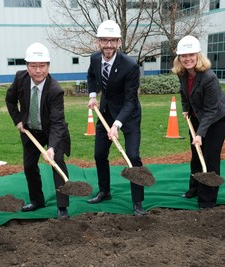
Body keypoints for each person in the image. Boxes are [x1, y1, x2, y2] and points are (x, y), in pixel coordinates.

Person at [86, 20, 146, 216]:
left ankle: (137, 202)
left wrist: (117, 125)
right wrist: (93, 96)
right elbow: (92, 76)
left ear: (119, 42)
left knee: (132, 156)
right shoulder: (95, 58)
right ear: (98, 42)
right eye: (105, 41)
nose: (108, 45)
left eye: (112, 41)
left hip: (128, 117)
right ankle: (105, 191)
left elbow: (130, 101)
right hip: (105, 113)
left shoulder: (130, 66)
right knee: (99, 154)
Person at [5, 42, 71, 219]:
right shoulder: (20, 78)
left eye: (42, 66)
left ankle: (62, 206)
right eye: (33, 66)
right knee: (29, 166)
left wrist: (51, 147)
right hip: (30, 130)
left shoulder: (55, 90)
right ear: (27, 67)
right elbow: (10, 100)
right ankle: (37, 200)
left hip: (52, 131)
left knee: (57, 162)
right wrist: (18, 120)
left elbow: (57, 122)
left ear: (48, 66)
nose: (38, 70)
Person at [172, 35, 225, 209]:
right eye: (184, 55)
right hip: (197, 115)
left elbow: (212, 110)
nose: (188, 59)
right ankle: (195, 189)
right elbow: (184, 93)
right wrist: (185, 108)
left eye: (191, 55)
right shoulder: (182, 73)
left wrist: (200, 134)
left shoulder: (209, 77)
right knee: (196, 153)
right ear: (179, 58)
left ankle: (207, 200)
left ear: (198, 55)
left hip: (218, 118)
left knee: (210, 156)